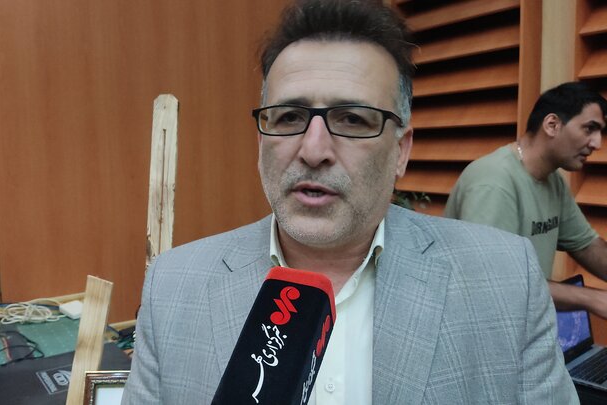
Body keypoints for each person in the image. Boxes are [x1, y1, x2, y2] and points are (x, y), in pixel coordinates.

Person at [123, 0, 577, 403]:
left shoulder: (506, 280)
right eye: (289, 116)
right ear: (261, 140)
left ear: (401, 151)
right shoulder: (173, 286)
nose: (313, 149)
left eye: (353, 119)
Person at [444, 82, 607, 319]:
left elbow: (586, 245)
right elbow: (494, 281)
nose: (597, 143)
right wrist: (592, 298)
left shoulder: (554, 181)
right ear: (552, 125)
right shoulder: (493, 182)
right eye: (589, 129)